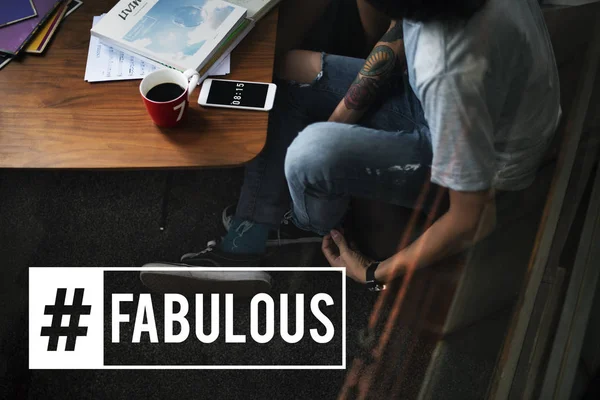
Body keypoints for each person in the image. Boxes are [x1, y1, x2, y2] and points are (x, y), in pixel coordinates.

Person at [140, 0, 561, 295]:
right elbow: (401, 29)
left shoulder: (448, 66)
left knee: (311, 153)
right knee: (286, 73)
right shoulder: (437, 11)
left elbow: (474, 218)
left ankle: (296, 225)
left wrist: (374, 273)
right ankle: (253, 232)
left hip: (489, 162)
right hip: (442, 105)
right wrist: (342, 115)